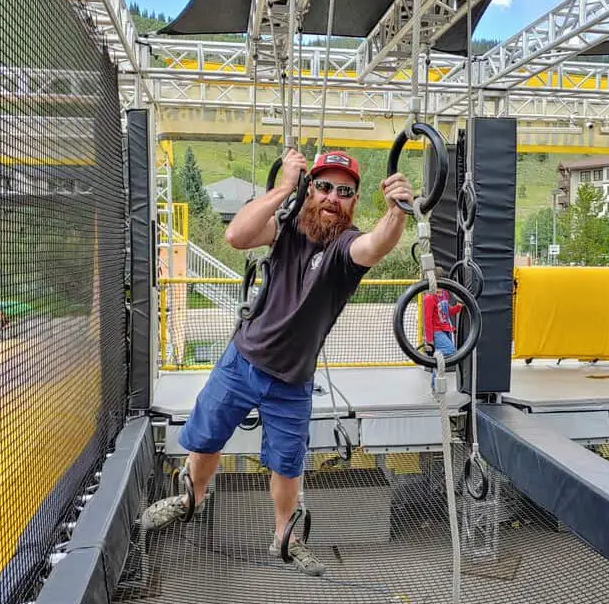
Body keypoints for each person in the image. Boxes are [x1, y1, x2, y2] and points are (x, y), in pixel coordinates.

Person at [141, 147, 414, 577]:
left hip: (292, 380)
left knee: (287, 466)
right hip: (241, 360)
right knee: (206, 438)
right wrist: (284, 186)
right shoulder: (288, 225)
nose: (331, 197)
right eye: (323, 186)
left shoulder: (345, 248)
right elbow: (237, 236)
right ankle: (191, 496)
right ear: (310, 190)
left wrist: (397, 211)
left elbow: (375, 246)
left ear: (353, 202)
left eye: (344, 192)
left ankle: (286, 537)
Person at [423, 266, 462, 385]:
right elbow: (427, 320)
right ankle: (434, 358)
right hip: (437, 332)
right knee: (450, 350)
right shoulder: (430, 298)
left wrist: (458, 307)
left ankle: (435, 387)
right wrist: (429, 340)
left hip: (446, 329)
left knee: (440, 362)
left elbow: (446, 311)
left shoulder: (444, 293)